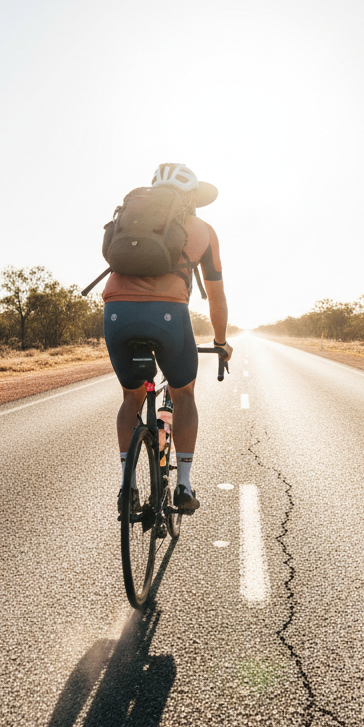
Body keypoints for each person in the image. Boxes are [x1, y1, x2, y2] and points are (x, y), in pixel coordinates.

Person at [103, 163, 232, 514]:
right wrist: (220, 342)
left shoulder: (131, 221)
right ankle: (184, 485)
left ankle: (127, 488)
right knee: (183, 393)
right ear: (192, 197)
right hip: (168, 317)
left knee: (130, 398)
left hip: (116, 315)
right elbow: (216, 297)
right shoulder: (203, 229)